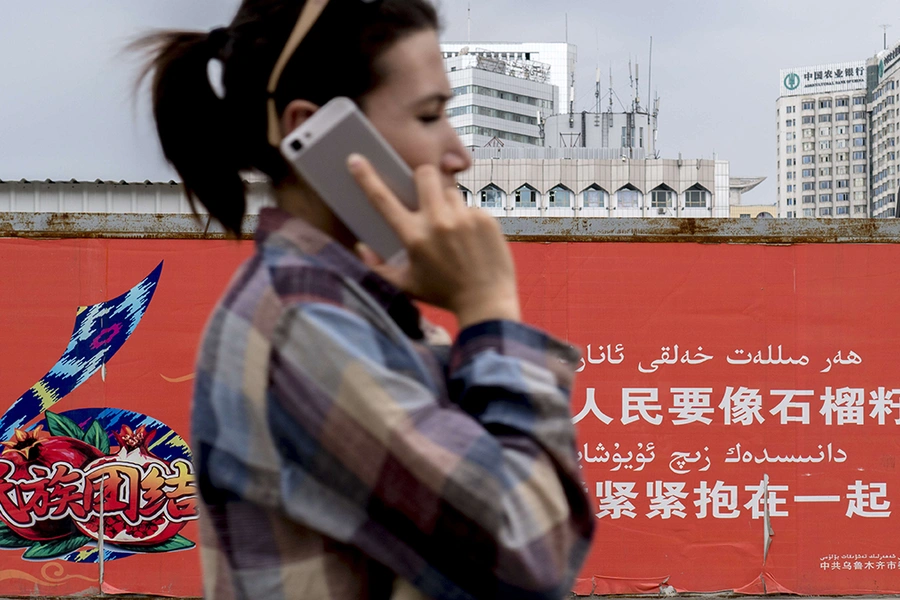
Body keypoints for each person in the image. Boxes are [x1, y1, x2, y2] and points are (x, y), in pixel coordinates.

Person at [136, 1, 593, 598]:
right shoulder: (305, 322)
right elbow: (531, 555)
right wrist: (490, 307)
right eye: (430, 116)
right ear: (313, 129)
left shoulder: (351, 306)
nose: (459, 154)